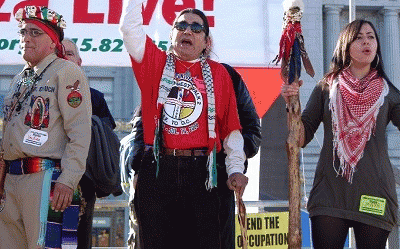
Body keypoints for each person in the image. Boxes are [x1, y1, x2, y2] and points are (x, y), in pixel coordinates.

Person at [119, 0, 248, 249]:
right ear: (172, 34)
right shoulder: (154, 62)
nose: (187, 30)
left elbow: (231, 129)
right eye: (181, 25)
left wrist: (236, 168)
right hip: (158, 168)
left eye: (196, 27)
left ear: (206, 42)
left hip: (204, 173)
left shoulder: (220, 74)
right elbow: (130, 29)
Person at [281, 19, 400, 249]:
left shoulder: (388, 91)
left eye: (371, 37)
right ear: (345, 45)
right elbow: (300, 137)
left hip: (374, 195)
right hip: (329, 195)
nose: (366, 41)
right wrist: (290, 105)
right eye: (359, 37)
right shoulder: (326, 86)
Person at [121, 63, 261, 249]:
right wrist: (138, 167)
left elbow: (251, 129)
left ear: (206, 42)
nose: (188, 33)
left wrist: (231, 164)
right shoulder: (163, 71)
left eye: (197, 31)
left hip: (212, 180)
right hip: (162, 175)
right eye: (182, 31)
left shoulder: (225, 75)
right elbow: (142, 124)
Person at [0, 6, 92, 249]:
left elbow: (80, 131)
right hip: (11, 179)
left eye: (34, 32)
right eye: (22, 32)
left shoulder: (66, 71)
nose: (26, 38)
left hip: (46, 178)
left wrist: (68, 179)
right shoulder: (20, 78)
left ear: (52, 42)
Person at [63, 38, 117, 249]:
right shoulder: (42, 93)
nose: (64, 57)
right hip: (43, 177)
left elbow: (108, 135)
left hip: (82, 181)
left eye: (69, 53)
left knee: (77, 241)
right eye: (60, 52)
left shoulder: (94, 97)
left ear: (79, 61)